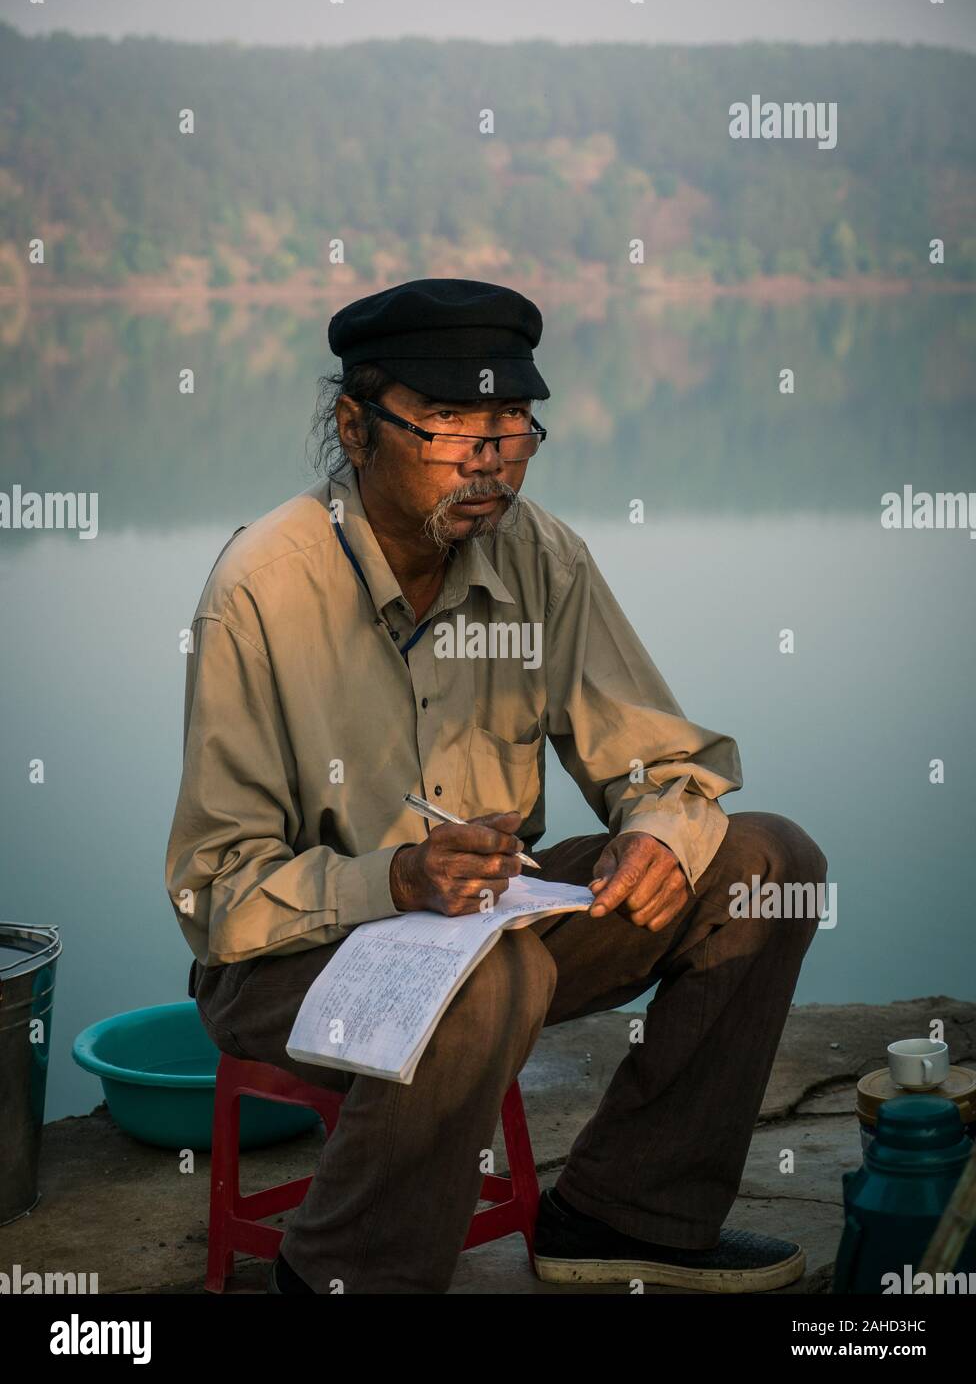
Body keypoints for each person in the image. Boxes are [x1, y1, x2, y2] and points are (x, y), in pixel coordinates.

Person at [165, 277, 828, 1295]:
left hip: (490, 922)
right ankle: (338, 1278)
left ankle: (624, 1211)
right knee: (484, 981)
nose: (488, 461)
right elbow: (217, 893)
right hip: (287, 962)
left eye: (511, 426)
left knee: (762, 862)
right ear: (356, 424)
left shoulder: (538, 555)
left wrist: (655, 828)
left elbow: (659, 763)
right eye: (450, 426)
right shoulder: (262, 587)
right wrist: (391, 881)